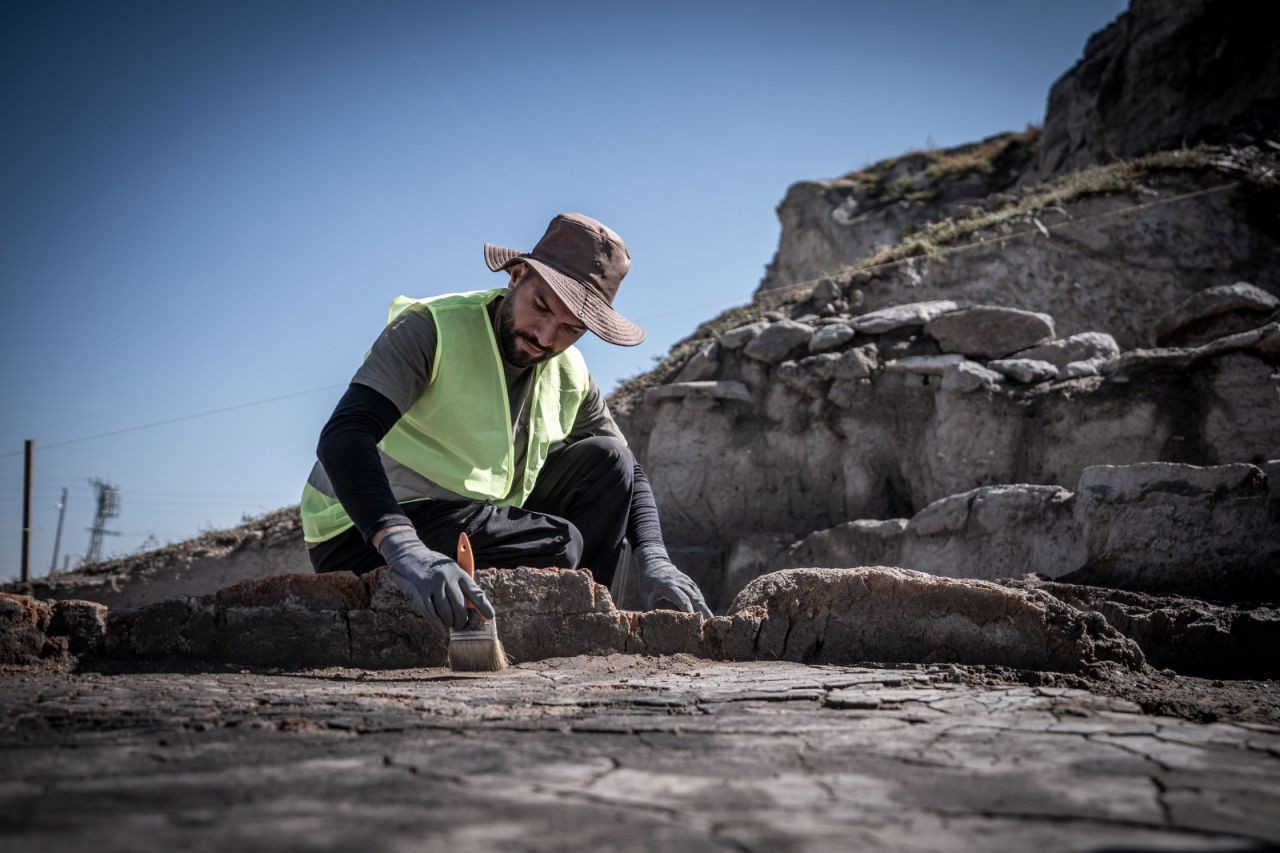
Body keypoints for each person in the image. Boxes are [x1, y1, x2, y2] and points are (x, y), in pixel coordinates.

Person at [300, 212, 713, 636]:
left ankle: (586, 631)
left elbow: (629, 471)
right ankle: (551, 624)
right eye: (541, 307)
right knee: (559, 543)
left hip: (468, 518)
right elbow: (344, 436)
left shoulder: (568, 371)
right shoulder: (431, 328)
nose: (547, 337)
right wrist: (405, 550)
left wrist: (655, 557)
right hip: (362, 529)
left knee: (610, 461)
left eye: (572, 328)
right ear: (516, 276)